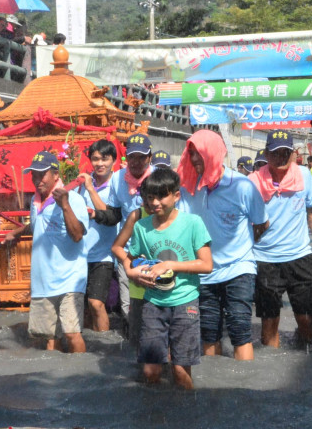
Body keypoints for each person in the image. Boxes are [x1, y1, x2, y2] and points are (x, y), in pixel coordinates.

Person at [113, 168, 212, 389]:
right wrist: (131, 273)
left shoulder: (193, 223)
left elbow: (207, 264)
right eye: (150, 197)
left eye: (162, 196)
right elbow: (130, 259)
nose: (155, 202)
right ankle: (155, 417)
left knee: (180, 370)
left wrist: (170, 265)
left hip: (186, 301)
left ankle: (186, 411)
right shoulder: (141, 227)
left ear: (176, 196)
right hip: (153, 303)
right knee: (150, 370)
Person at [176, 130, 267, 361]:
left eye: (200, 154)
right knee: (208, 333)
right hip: (204, 272)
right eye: (192, 154)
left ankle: (245, 388)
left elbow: (261, 222)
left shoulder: (242, 186)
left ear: (215, 154)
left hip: (239, 269)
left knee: (240, 331)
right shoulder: (188, 189)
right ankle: (213, 390)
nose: (195, 159)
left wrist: (244, 247)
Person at [248, 131, 312, 348]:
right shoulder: (253, 183)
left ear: (294, 154)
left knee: (306, 321)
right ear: (266, 154)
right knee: (269, 326)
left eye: (286, 152)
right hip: (265, 260)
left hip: (300, 256)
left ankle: (304, 353)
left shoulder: (303, 175)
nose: (281, 157)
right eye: (276, 153)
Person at [5, 152, 90, 352]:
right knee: (49, 339)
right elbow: (37, 225)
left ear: (55, 174)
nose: (37, 180)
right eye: (34, 175)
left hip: (70, 278)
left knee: (72, 333)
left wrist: (65, 205)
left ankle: (82, 378)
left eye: (42, 174)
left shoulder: (73, 199)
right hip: (43, 281)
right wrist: (16, 233)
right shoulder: (36, 201)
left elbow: (78, 235)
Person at [101, 134, 155, 335]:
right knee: (129, 307)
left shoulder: (159, 177)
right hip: (129, 253)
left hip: (156, 252)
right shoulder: (117, 178)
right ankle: (135, 347)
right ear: (126, 158)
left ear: (150, 157)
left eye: (142, 157)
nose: (136, 162)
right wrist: (94, 215)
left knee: (156, 305)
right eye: (132, 157)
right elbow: (114, 214)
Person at [75, 139, 120, 332]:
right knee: (82, 307)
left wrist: (91, 190)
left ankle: (104, 344)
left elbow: (109, 215)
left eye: (105, 159)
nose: (100, 163)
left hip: (104, 254)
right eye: (95, 159)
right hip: (80, 253)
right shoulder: (82, 183)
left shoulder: (116, 184)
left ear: (113, 161)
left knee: (96, 303)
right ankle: (87, 348)